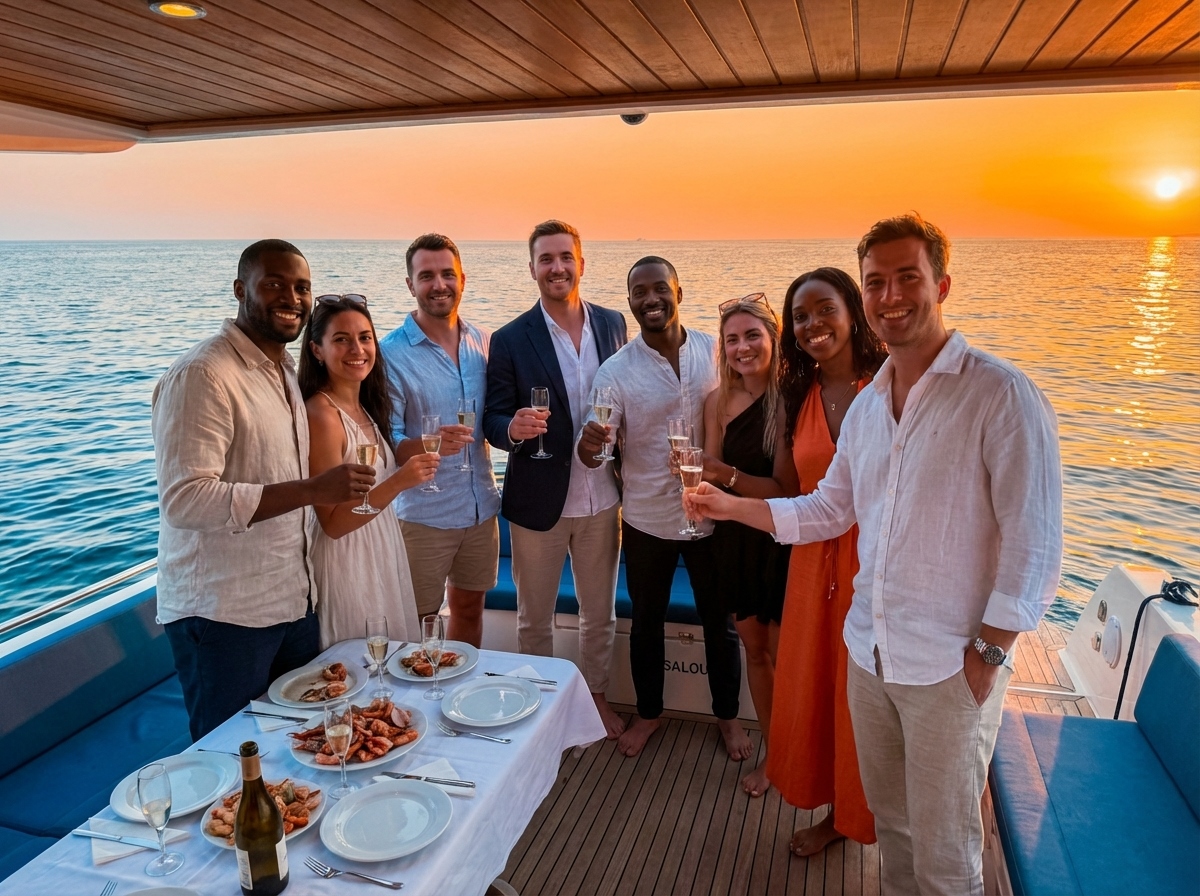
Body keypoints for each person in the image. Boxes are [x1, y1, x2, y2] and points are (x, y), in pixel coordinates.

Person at [686, 214, 1062, 895]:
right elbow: (828, 509)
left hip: (949, 668)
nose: (891, 296)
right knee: (894, 829)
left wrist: (991, 653)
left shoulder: (999, 394)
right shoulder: (868, 408)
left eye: (907, 278)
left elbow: (1034, 544)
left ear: (942, 284)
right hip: (869, 653)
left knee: (946, 854)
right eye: (876, 283)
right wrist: (730, 505)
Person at [152, 239, 377, 740]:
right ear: (240, 290)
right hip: (224, 615)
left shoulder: (281, 373)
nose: (291, 298)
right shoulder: (204, 374)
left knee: (295, 747)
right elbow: (185, 499)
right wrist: (313, 489)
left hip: (292, 603)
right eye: (274, 284)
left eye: (302, 287)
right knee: (231, 758)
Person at [579, 256, 750, 760]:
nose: (650, 299)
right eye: (639, 292)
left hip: (711, 514)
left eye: (660, 289)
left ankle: (729, 719)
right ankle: (649, 714)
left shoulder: (714, 350)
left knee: (721, 624)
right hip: (648, 519)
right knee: (646, 622)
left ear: (679, 290)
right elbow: (596, 452)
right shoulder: (615, 372)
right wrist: (591, 444)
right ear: (629, 301)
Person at [484, 220, 628, 738]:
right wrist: (513, 429)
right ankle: (541, 713)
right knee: (533, 619)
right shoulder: (508, 339)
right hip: (537, 502)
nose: (557, 267)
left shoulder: (614, 324)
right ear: (532, 270)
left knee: (600, 614)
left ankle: (594, 702)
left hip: (602, 498)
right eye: (546, 259)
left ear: (581, 263)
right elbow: (493, 420)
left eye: (565, 257)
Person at [769, 268, 887, 855]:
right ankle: (838, 813)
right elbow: (793, 490)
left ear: (853, 311)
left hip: (876, 562)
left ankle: (871, 814)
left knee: (866, 698)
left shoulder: (890, 383)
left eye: (824, 309)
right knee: (820, 693)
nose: (813, 324)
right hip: (815, 565)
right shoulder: (797, 396)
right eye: (801, 317)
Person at [298, 294, 439, 649]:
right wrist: (399, 482)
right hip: (349, 562)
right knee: (361, 668)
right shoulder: (323, 415)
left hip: (381, 551)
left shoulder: (366, 407)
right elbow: (332, 523)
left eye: (364, 337)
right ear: (317, 350)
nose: (357, 349)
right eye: (341, 339)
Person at [379, 234, 500, 647]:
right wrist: (428, 443)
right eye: (426, 275)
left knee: (470, 609)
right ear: (410, 284)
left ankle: (461, 700)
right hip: (423, 515)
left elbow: (497, 418)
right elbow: (387, 440)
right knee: (417, 621)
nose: (439, 284)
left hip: (481, 508)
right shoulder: (390, 354)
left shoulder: (484, 342)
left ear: (462, 279)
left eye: (447, 274)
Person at [699, 293, 798, 796]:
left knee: (783, 658)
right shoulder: (716, 402)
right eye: (732, 339)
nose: (742, 347)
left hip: (780, 542)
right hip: (734, 543)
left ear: (773, 338)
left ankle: (797, 759)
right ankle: (774, 758)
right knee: (755, 654)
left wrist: (726, 477)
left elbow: (785, 490)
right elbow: (709, 479)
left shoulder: (791, 401)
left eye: (752, 336)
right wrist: (699, 489)